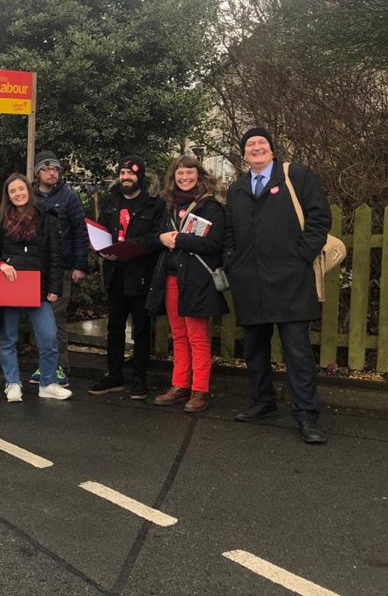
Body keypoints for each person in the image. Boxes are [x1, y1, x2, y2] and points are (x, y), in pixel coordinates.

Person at [224, 128, 331, 444]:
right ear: (244, 154)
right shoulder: (237, 188)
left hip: (290, 278)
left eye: (261, 143)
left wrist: (301, 257)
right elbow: (229, 230)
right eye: (250, 144)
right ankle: (263, 402)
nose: (256, 147)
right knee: (255, 348)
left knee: (297, 351)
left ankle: (307, 416)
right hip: (250, 280)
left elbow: (319, 219)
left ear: (272, 149)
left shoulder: (296, 175)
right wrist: (232, 261)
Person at [146, 156, 228, 413]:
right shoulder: (168, 205)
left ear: (199, 175)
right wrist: (162, 237)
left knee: (197, 338)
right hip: (171, 279)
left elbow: (213, 245)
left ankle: (199, 390)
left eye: (189, 173)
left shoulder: (211, 207)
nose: (185, 177)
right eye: (180, 173)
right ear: (174, 177)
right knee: (178, 335)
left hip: (197, 280)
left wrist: (179, 239)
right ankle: (179, 384)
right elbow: (158, 236)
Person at [0, 173, 72, 402]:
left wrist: (54, 287)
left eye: (20, 189)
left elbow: (56, 255)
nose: (17, 194)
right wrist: (1, 265)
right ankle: (12, 383)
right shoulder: (2, 220)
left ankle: (48, 383)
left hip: (39, 286)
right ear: (8, 195)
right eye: (12, 191)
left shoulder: (47, 217)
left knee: (48, 336)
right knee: (9, 338)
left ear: (29, 189)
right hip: (11, 284)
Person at [90, 156, 165, 400]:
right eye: (122, 174)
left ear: (139, 177)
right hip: (115, 274)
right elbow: (101, 231)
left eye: (130, 174)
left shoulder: (154, 205)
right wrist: (102, 249)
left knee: (142, 329)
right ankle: (114, 375)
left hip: (141, 274)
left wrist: (132, 246)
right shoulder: (111, 202)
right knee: (114, 327)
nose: (125, 178)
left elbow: (157, 237)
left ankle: (139, 378)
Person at [30, 152, 87, 387]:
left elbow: (79, 231)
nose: (52, 173)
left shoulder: (68, 197)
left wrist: (79, 265)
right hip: (34, 268)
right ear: (37, 173)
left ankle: (59, 366)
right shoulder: (29, 195)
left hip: (60, 267)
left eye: (55, 169)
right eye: (47, 169)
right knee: (38, 318)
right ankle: (44, 364)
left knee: (56, 318)